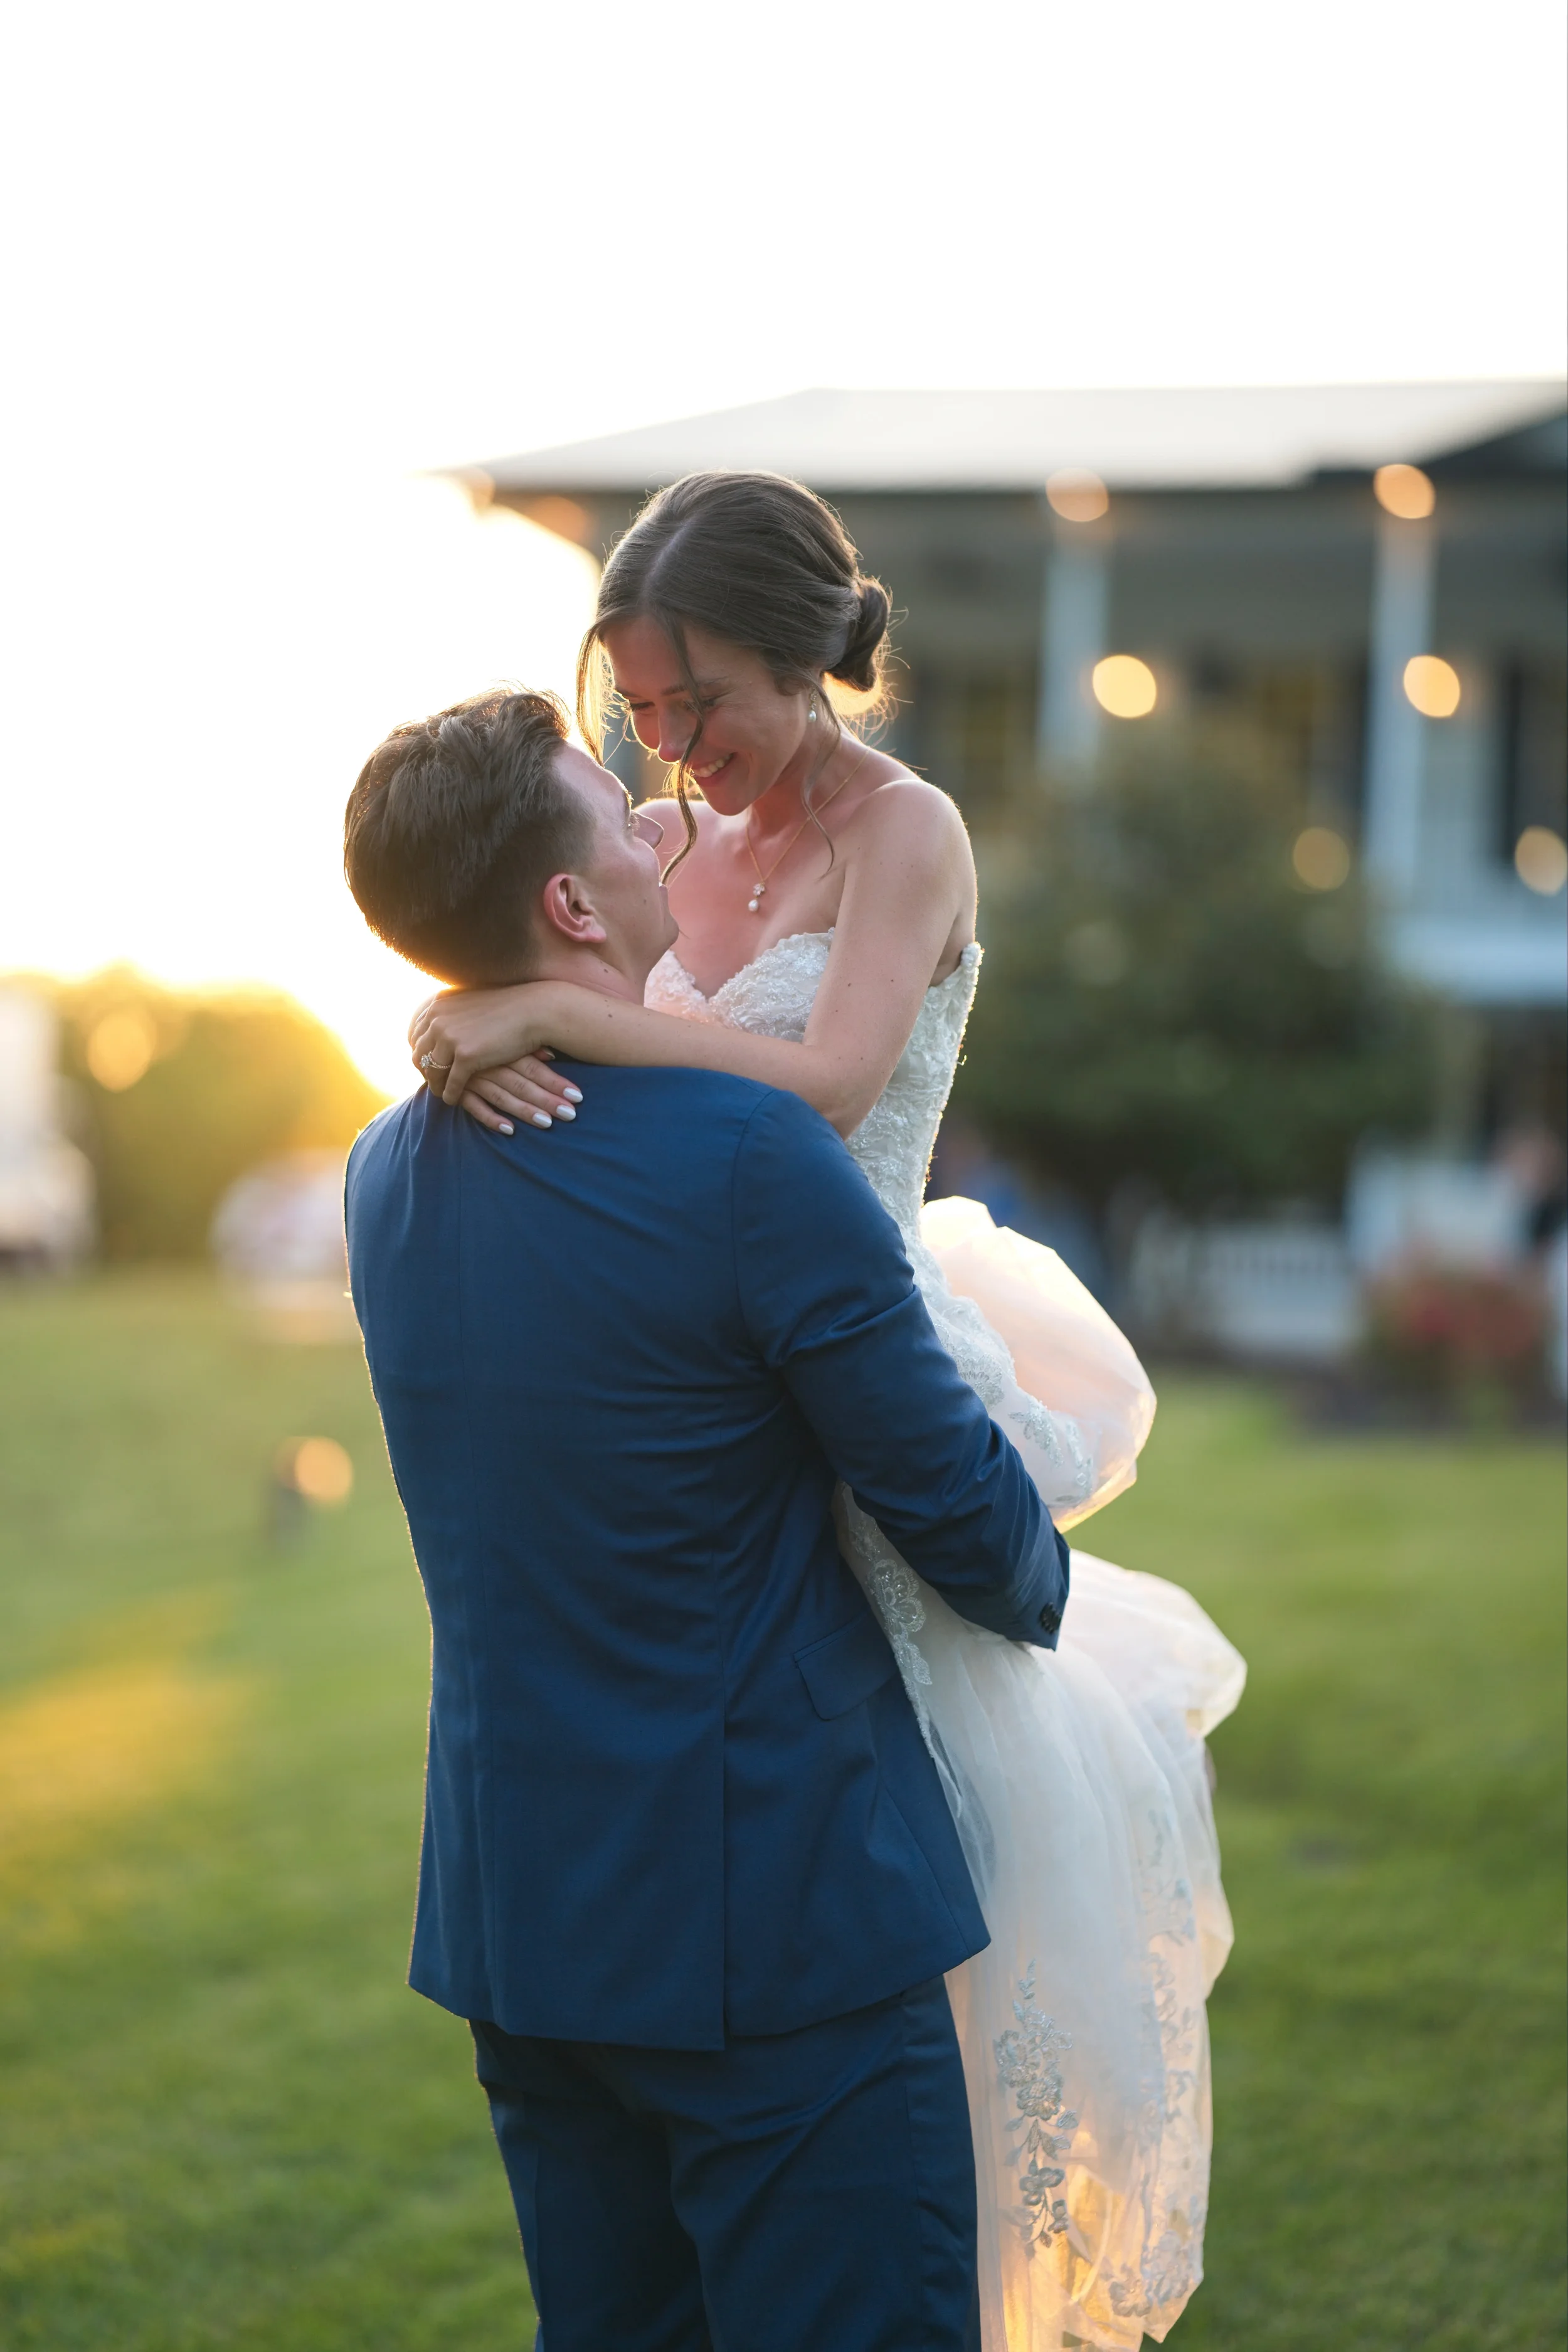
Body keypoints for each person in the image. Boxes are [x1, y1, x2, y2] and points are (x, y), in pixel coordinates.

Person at [406, 472, 1247, 2351]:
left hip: (855, 1321)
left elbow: (828, 1071)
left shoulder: (908, 830)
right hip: (710, 1368)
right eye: (637, 710)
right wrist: (494, 1025)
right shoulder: (663, 849)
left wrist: (565, 1019)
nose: (673, 750)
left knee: (906, 1824)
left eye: (701, 702)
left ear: (809, 657)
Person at [342, 685, 1073, 2352]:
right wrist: (1052, 1561)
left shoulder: (386, 1171)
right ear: (571, 907)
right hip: (780, 1933)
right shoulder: (749, 1149)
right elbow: (962, 1519)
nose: (654, 810)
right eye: (611, 805)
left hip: (522, 1924)